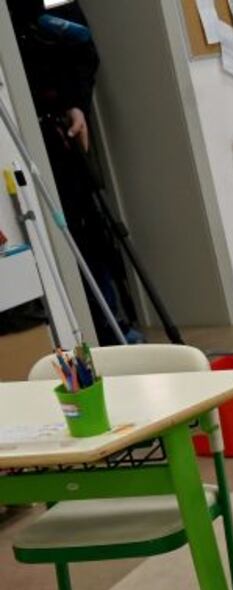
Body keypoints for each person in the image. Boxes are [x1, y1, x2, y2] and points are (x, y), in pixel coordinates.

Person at [7, 0, 137, 343]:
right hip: (17, 128)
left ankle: (112, 329)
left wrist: (75, 103)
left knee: (86, 232)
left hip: (58, 129)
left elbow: (82, 48)